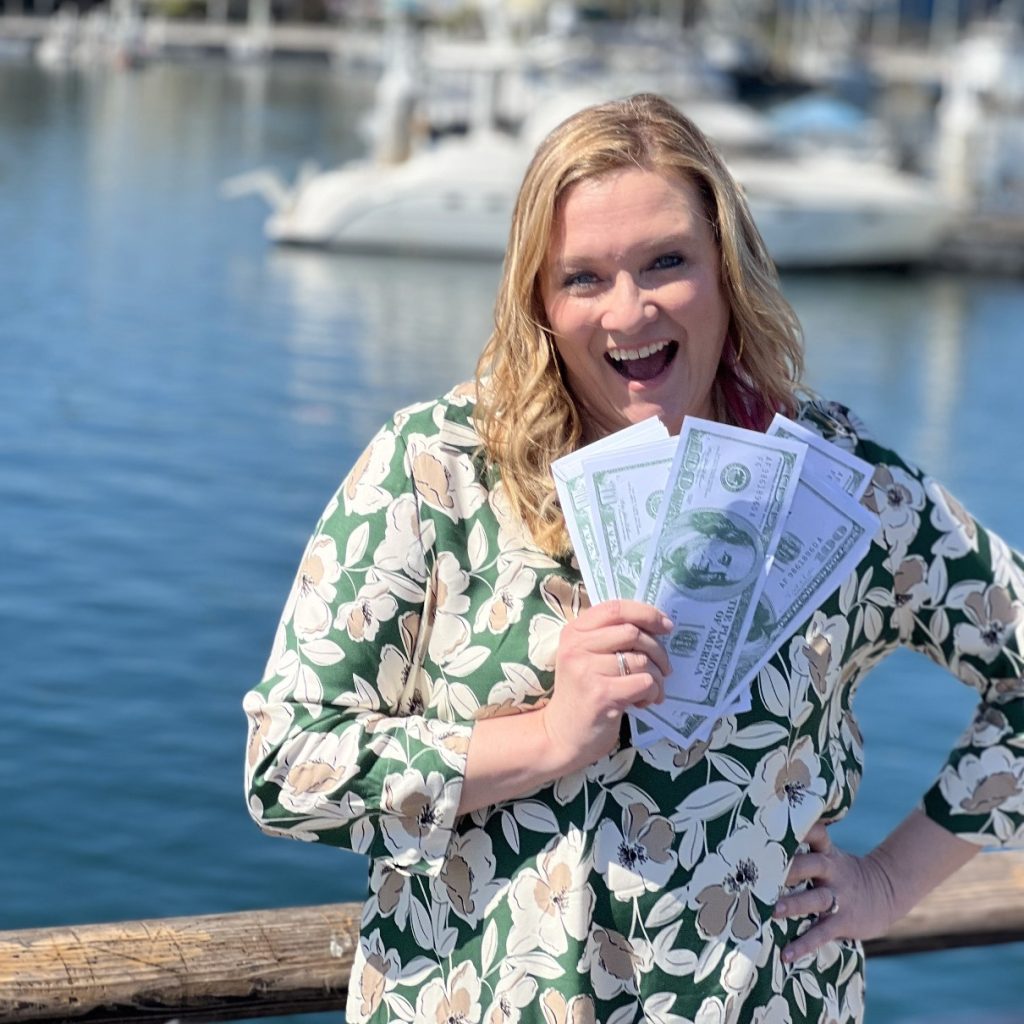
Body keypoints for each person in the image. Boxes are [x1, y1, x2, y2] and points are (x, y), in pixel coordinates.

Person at [243, 93, 1024, 1023]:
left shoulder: (837, 481)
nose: (629, 309)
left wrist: (890, 883)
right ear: (538, 298)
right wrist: (544, 738)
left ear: (727, 266)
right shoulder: (436, 468)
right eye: (583, 278)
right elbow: (287, 768)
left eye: (666, 261)